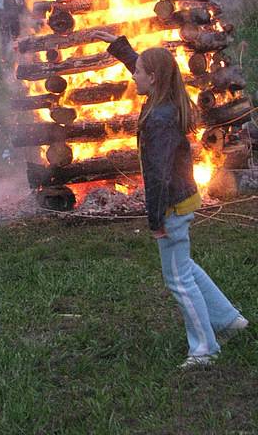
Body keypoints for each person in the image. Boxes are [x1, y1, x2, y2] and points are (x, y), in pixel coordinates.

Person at [93, 31, 248, 368]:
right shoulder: (164, 98)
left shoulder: (160, 119)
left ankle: (204, 348)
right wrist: (121, 48)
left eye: (139, 73)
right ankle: (228, 320)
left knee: (177, 279)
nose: (134, 76)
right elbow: (145, 66)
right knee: (185, 265)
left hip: (172, 205)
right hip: (182, 200)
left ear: (154, 78)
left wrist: (156, 220)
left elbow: (159, 174)